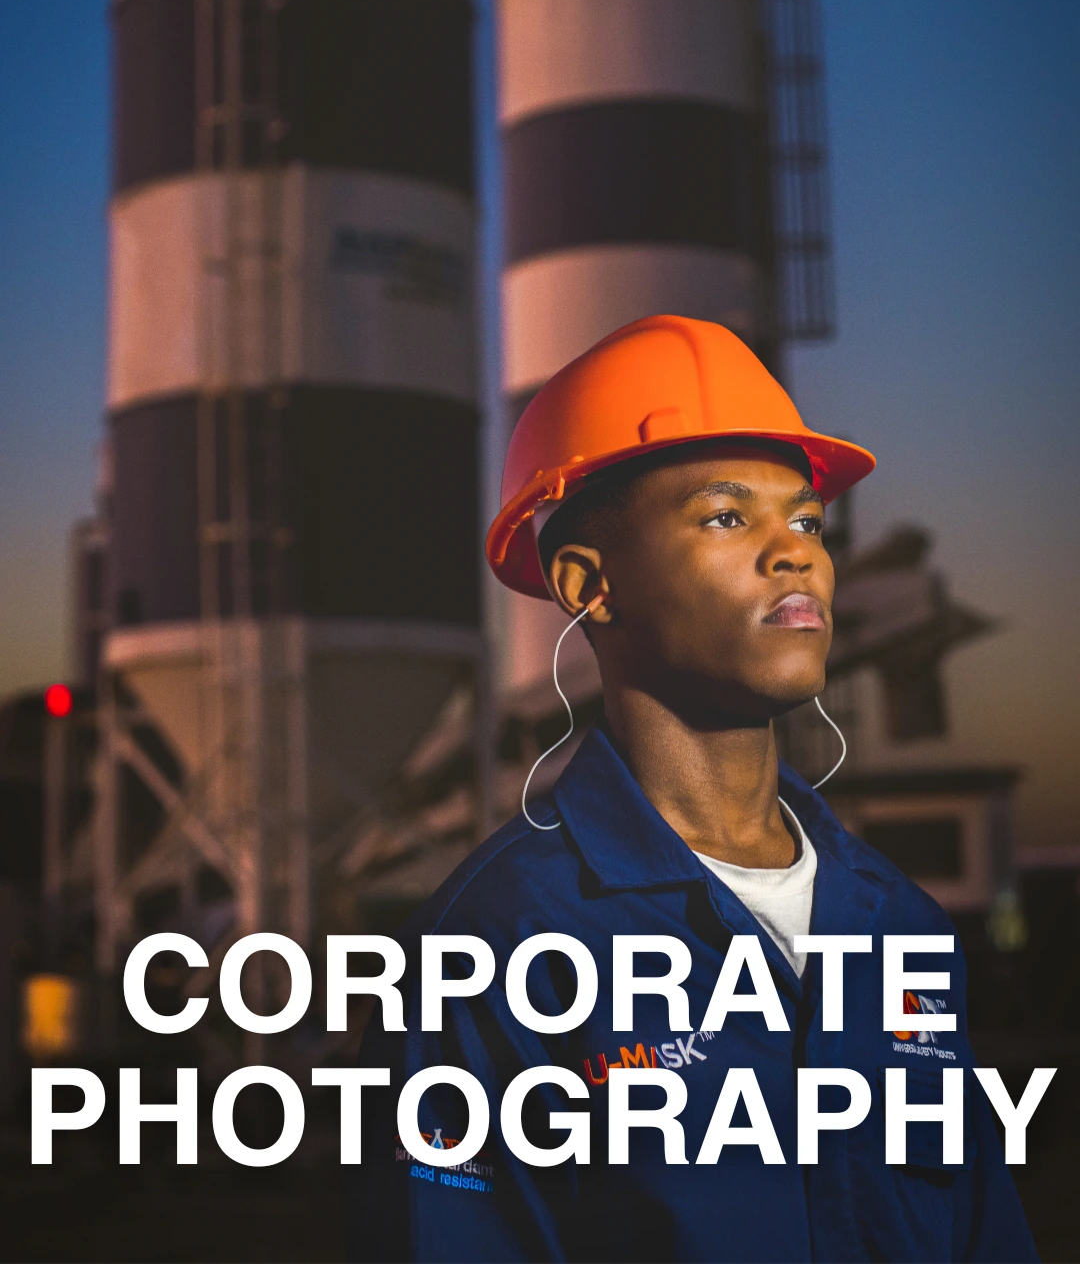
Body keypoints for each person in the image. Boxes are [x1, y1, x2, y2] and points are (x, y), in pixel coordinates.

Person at [346, 316, 1036, 1262]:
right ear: (591, 584)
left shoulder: (898, 927)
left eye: (805, 520)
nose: (793, 552)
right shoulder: (504, 946)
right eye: (725, 516)